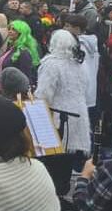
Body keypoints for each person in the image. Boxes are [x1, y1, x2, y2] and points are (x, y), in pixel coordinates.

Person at [35, 29, 91, 157]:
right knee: (73, 155)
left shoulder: (51, 64)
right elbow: (86, 88)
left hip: (58, 114)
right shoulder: (81, 63)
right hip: (79, 111)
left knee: (57, 154)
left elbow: (44, 93)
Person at [0, 20, 40, 86]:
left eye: (13, 30)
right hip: (6, 89)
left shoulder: (24, 52)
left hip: (15, 91)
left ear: (21, 33)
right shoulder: (11, 48)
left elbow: (26, 77)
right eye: (9, 29)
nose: (10, 31)